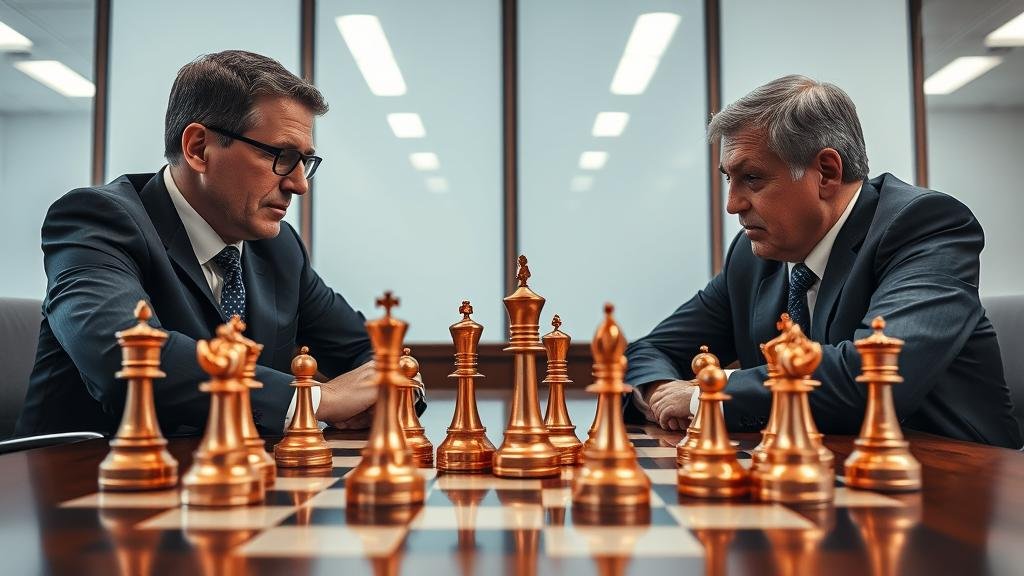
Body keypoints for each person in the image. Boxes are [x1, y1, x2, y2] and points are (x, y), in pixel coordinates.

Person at [15, 50, 423, 437]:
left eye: (305, 162)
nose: (298, 184)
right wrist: (315, 398)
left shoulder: (278, 249)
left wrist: (391, 396)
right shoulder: (97, 221)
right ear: (198, 148)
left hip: (235, 487)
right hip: (84, 490)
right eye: (281, 155)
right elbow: (123, 358)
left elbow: (373, 352)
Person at [624, 74, 1021, 449]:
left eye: (753, 179)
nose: (733, 205)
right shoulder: (753, 257)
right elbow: (651, 350)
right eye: (730, 178)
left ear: (827, 173)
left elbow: (873, 379)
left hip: (947, 484)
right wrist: (660, 391)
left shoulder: (925, 226)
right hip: (814, 476)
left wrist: (706, 395)